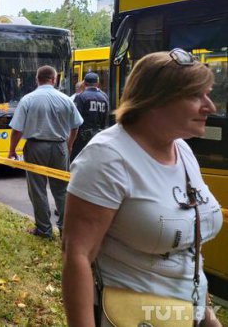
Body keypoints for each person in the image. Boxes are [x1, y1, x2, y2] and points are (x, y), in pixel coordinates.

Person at [62, 49, 222, 327]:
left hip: (186, 315)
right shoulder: (107, 156)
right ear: (156, 100)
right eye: (196, 96)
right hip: (131, 318)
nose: (210, 107)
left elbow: (188, 250)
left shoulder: (182, 150)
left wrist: (205, 316)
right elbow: (77, 256)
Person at [8, 65, 83, 240]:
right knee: (62, 189)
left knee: (37, 188)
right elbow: (76, 125)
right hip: (59, 146)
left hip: (35, 147)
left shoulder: (28, 99)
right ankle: (66, 229)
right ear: (54, 79)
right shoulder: (66, 99)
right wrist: (69, 144)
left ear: (37, 79)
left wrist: (12, 150)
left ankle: (43, 229)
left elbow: (17, 129)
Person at [70, 72, 109, 161]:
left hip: (82, 138)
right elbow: (105, 119)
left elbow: (76, 120)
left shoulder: (80, 97)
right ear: (97, 83)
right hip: (98, 136)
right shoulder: (104, 97)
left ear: (84, 83)